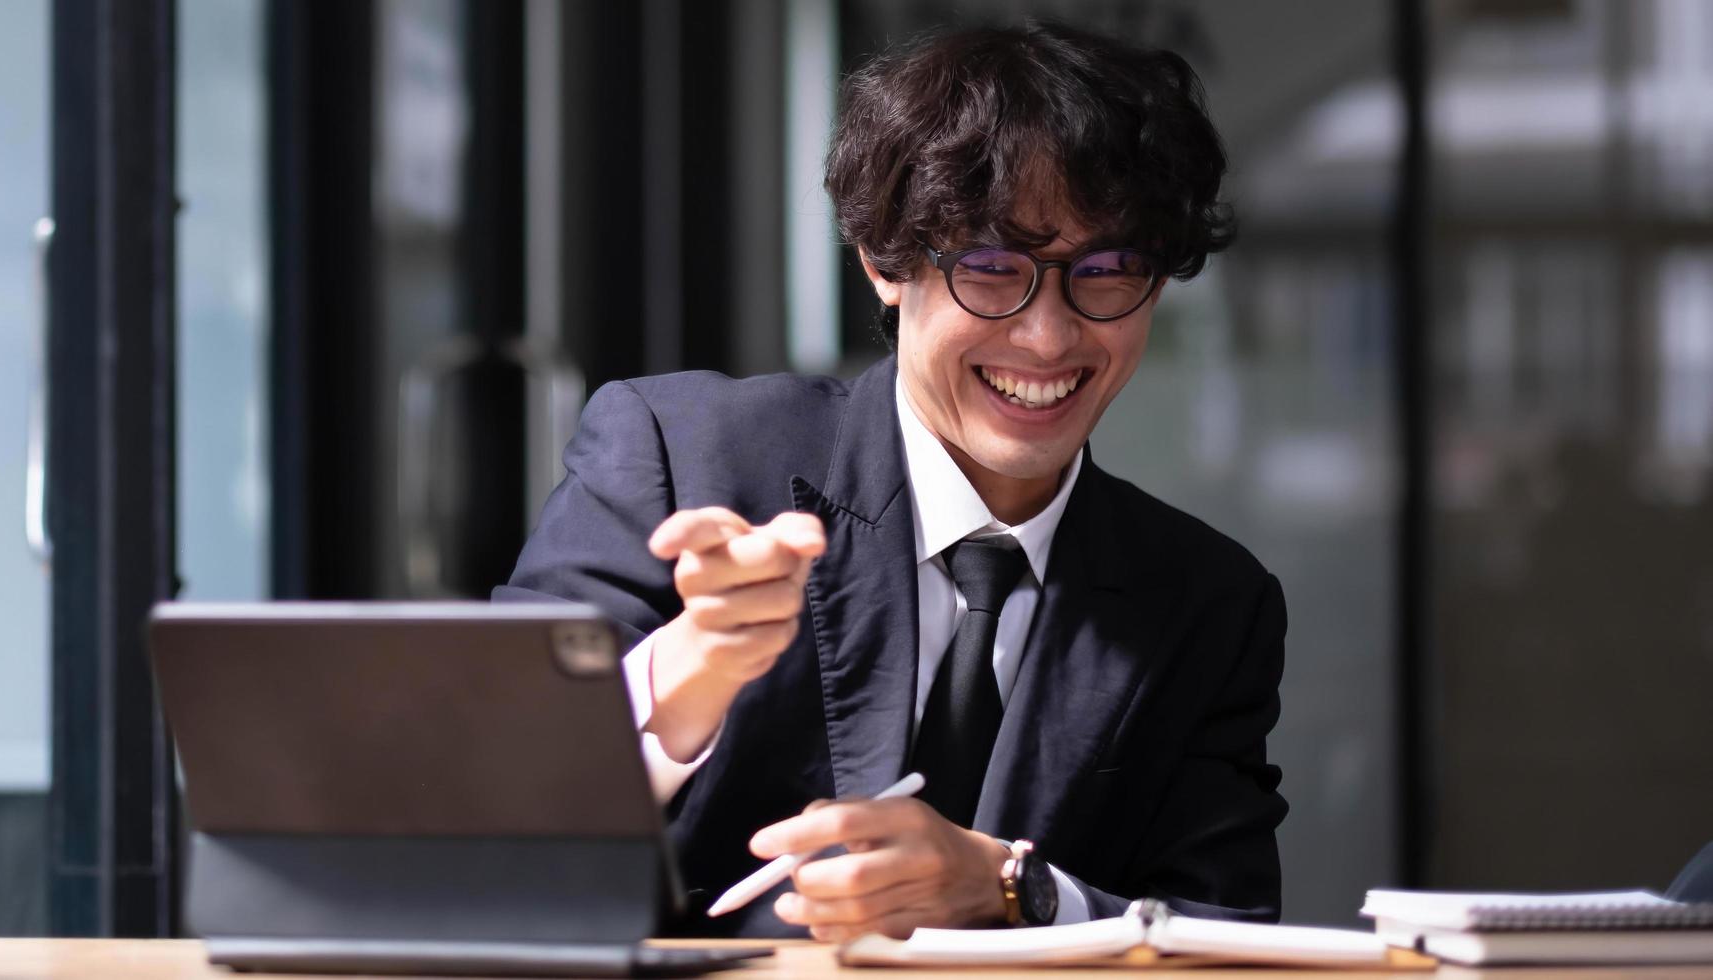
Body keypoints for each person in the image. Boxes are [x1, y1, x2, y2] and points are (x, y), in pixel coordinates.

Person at [497, 22, 1287, 940]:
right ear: (884, 261)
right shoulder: (684, 457)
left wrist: (1012, 888)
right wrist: (684, 675)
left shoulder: (1207, 602)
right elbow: (479, 800)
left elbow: (1230, 932)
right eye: (994, 269)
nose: (1049, 337)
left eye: (1107, 272)